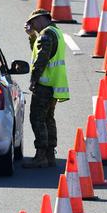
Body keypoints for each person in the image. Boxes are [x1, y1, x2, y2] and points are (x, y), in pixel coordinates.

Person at [22, 9, 70, 169]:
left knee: (37, 118)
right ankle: (50, 155)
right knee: (48, 118)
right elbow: (39, 52)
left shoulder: (46, 35)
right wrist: (31, 37)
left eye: (32, 23)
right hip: (54, 84)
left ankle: (41, 156)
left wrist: (33, 80)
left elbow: (40, 61)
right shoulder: (56, 32)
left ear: (40, 19)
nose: (31, 26)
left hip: (44, 85)